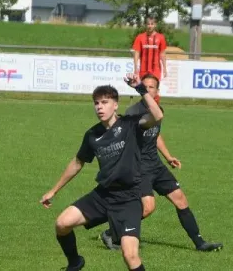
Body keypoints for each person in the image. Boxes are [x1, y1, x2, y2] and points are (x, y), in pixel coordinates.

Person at [40, 74, 164, 271]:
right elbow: (77, 163)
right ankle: (75, 263)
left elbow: (157, 116)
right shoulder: (92, 135)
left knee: (130, 255)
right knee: (62, 223)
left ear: (115, 105)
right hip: (103, 195)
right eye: (96, 103)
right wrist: (53, 190)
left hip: (129, 198)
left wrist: (140, 88)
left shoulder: (131, 124)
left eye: (105, 102)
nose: (99, 107)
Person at [96, 74, 223, 253]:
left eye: (151, 87)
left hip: (156, 165)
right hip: (140, 168)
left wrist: (168, 156)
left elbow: (155, 135)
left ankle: (200, 243)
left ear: (157, 90)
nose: (148, 90)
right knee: (147, 208)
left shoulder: (157, 109)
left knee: (181, 200)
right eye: (144, 87)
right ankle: (110, 232)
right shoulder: (134, 111)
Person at [132, 16, 167, 81]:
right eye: (148, 24)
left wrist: (165, 68)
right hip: (143, 69)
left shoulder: (161, 37)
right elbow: (137, 53)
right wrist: (135, 68)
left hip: (156, 70)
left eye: (152, 24)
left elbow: (162, 54)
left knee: (154, 89)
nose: (150, 26)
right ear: (145, 25)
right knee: (144, 89)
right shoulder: (140, 37)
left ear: (155, 25)